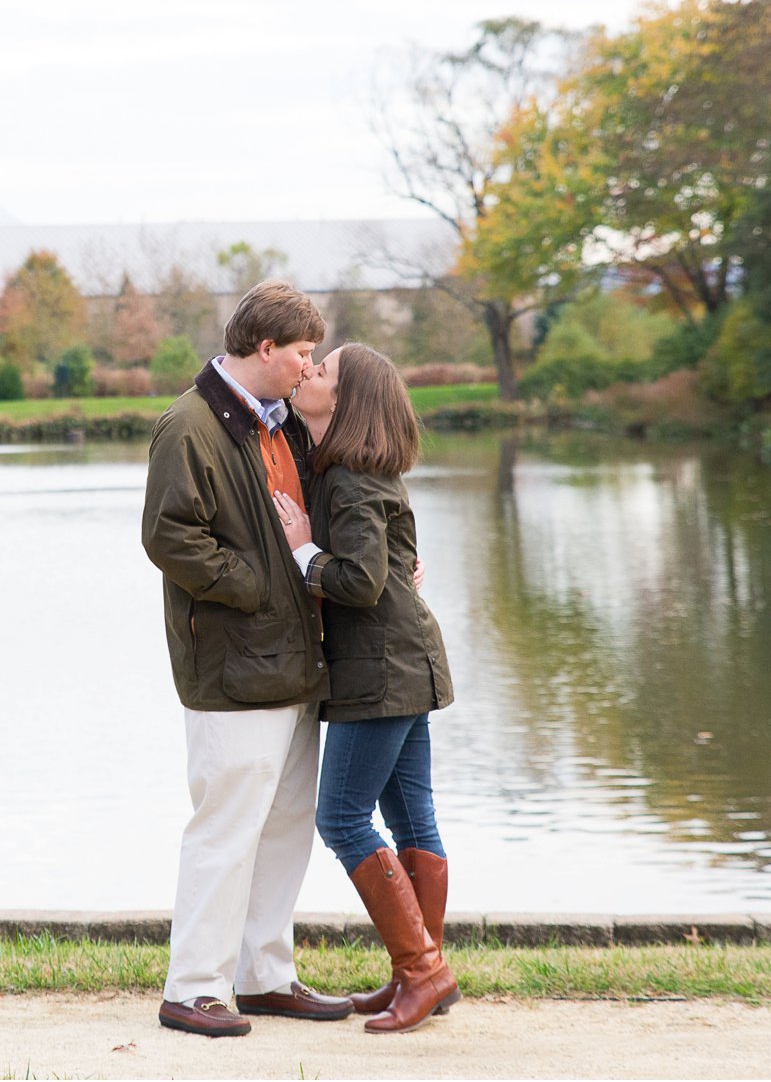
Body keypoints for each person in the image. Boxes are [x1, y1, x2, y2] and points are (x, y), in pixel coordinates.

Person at [140, 280, 353, 1038]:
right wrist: (259, 586)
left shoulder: (282, 424)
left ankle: (263, 975)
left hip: (296, 662)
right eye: (302, 352)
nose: (309, 365)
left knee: (289, 821)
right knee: (225, 826)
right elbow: (170, 538)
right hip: (232, 669)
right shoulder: (189, 425)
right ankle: (193, 986)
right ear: (265, 348)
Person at [272, 341, 460, 1034]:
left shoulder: (349, 477)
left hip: (380, 669)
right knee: (413, 819)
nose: (308, 371)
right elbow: (395, 558)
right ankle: (421, 971)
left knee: (342, 818)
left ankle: (422, 970)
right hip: (403, 659)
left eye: (323, 370)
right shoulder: (348, 467)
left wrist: (302, 550)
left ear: (346, 401)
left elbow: (361, 579)